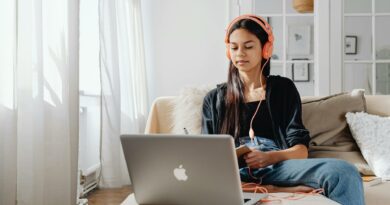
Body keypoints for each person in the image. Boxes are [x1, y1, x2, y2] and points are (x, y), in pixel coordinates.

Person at [201, 14, 364, 205]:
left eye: (248, 46)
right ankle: (270, 189)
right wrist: (274, 189)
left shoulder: (282, 89)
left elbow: (301, 150)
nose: (239, 53)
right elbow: (206, 159)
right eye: (234, 47)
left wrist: (271, 157)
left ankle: (272, 185)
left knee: (344, 171)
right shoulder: (214, 99)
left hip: (280, 166)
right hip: (235, 173)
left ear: (265, 49)